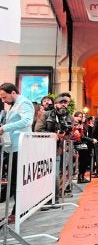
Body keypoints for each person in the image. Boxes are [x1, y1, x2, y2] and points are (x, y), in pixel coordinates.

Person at [0, 83, 34, 224]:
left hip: (21, 147)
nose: (3, 100)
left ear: (13, 92)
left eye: (4, 96)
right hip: (12, 147)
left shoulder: (24, 102)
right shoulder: (13, 105)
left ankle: (18, 211)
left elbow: (27, 121)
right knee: (14, 180)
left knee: (18, 181)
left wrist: (4, 128)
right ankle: (17, 210)